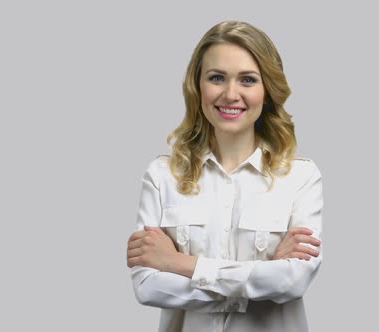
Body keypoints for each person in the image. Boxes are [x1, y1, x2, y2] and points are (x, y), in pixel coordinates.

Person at [126, 21, 323, 332]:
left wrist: (180, 264)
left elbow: (292, 282)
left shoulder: (300, 177)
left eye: (247, 80)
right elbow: (148, 286)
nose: (231, 94)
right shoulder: (162, 176)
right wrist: (262, 274)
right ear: (197, 86)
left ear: (267, 90)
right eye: (216, 78)